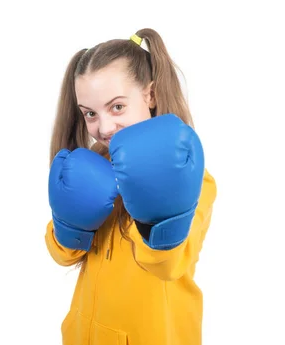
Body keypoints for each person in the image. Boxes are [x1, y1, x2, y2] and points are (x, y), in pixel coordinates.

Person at [44, 28, 218, 345]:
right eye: (90, 114)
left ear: (150, 95)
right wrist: (69, 222)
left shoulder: (191, 176)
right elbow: (63, 254)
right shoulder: (91, 166)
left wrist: (155, 218)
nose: (104, 127)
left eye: (117, 107)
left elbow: (169, 265)